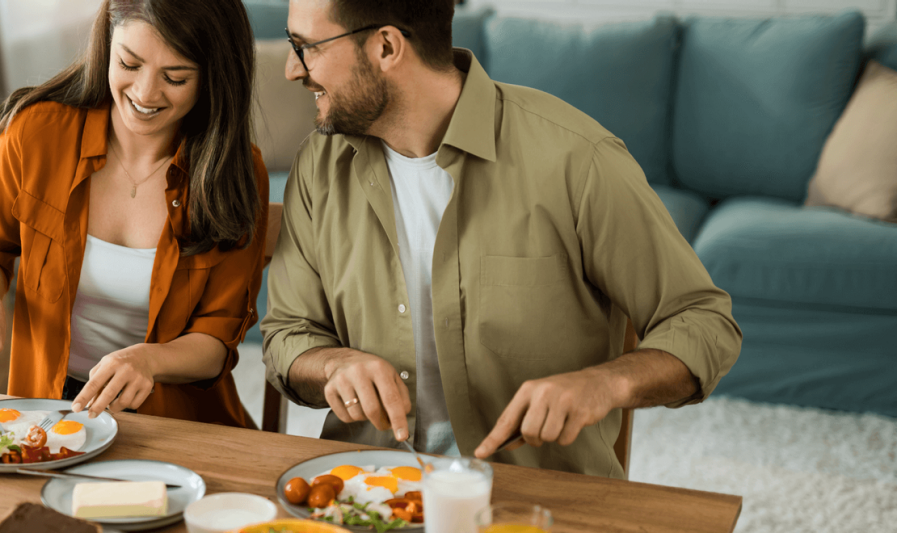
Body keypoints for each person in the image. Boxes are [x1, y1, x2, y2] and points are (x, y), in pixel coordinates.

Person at [262, 0, 742, 477]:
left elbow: (704, 322)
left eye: (306, 47)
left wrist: (604, 383)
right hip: (366, 492)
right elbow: (287, 333)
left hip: (535, 501)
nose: (290, 69)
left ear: (386, 46)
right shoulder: (318, 168)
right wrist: (332, 364)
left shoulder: (577, 159)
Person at [0, 0, 268, 428]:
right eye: (129, 64)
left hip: (177, 422)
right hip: (45, 411)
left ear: (213, 79)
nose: (145, 94)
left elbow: (217, 338)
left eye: (175, 77)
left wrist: (148, 360)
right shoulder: (36, 134)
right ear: (107, 44)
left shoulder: (235, 173)